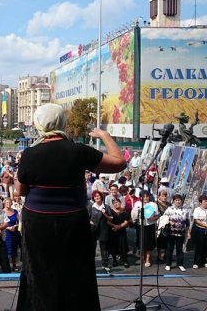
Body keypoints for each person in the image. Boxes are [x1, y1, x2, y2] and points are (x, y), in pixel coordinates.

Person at [14, 103, 126, 310]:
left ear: (40, 124)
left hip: (38, 222)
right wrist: (104, 135)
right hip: (72, 220)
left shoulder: (30, 153)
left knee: (39, 272)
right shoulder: (79, 151)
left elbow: (19, 191)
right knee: (77, 271)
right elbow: (119, 162)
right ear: (62, 123)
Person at [132, 190, 160, 267]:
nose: (145, 198)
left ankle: (148, 259)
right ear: (140, 197)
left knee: (149, 243)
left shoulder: (153, 204)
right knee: (141, 242)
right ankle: (142, 258)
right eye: (143, 196)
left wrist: (152, 218)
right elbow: (134, 214)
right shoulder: (138, 203)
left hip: (150, 226)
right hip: (140, 225)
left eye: (147, 196)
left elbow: (157, 215)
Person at [163, 194, 190, 272]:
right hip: (171, 232)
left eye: (179, 200)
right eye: (176, 200)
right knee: (169, 248)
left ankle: (180, 264)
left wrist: (188, 232)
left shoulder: (185, 209)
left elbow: (187, 222)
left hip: (181, 232)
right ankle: (168, 264)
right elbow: (164, 218)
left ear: (181, 201)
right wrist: (169, 221)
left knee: (180, 249)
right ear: (173, 201)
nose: (178, 201)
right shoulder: (169, 209)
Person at [89, 190, 111, 272]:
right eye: (95, 196)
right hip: (92, 230)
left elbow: (111, 218)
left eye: (98, 196)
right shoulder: (91, 206)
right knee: (92, 248)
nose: (97, 197)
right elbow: (87, 217)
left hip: (103, 229)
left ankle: (105, 264)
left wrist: (105, 213)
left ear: (101, 197)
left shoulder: (106, 206)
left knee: (104, 248)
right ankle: (91, 264)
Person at [108, 198, 130, 268]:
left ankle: (125, 261)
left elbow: (126, 221)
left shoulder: (125, 212)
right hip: (113, 231)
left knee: (123, 246)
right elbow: (107, 221)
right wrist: (114, 226)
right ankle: (114, 260)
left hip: (122, 232)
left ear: (120, 203)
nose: (116, 204)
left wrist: (119, 227)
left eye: (117, 202)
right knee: (114, 246)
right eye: (114, 203)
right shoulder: (110, 212)